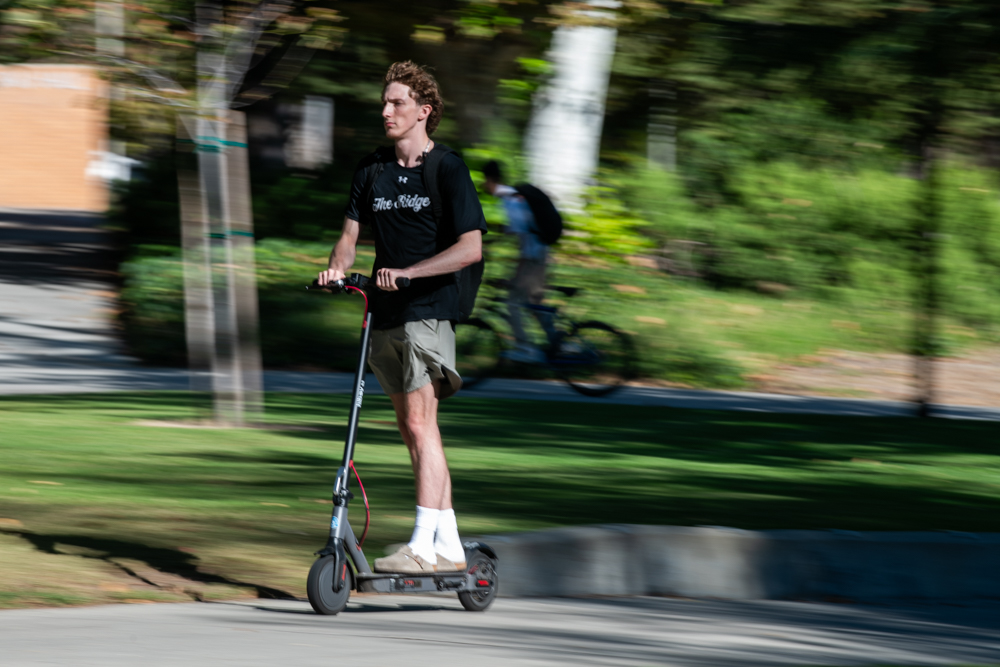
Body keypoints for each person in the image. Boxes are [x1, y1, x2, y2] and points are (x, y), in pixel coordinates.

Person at [316, 61, 486, 574]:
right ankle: (451, 545)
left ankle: (420, 544)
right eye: (384, 102)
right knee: (415, 429)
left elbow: (471, 248)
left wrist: (412, 273)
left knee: (419, 422)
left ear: (423, 112)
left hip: (429, 310)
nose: (386, 110)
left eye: (397, 103)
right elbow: (348, 239)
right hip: (385, 312)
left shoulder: (447, 168)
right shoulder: (371, 170)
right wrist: (334, 270)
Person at [482, 161, 556, 363]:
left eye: (483, 181)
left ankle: (525, 347)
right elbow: (513, 229)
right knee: (534, 303)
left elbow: (524, 235)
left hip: (534, 256)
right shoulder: (513, 196)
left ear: (489, 180)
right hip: (540, 254)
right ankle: (560, 343)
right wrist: (487, 241)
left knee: (512, 302)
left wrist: (517, 272)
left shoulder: (509, 199)